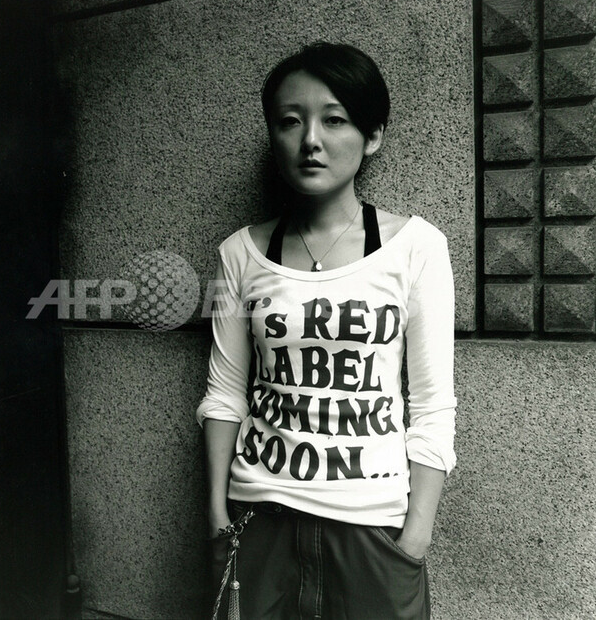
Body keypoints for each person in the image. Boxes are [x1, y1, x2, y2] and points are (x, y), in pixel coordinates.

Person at [195, 42, 457, 620]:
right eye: (291, 121)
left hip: (372, 533)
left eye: (334, 120)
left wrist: (413, 542)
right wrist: (217, 515)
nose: (310, 140)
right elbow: (224, 394)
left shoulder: (417, 247)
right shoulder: (239, 253)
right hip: (259, 522)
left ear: (373, 135)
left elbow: (433, 407)